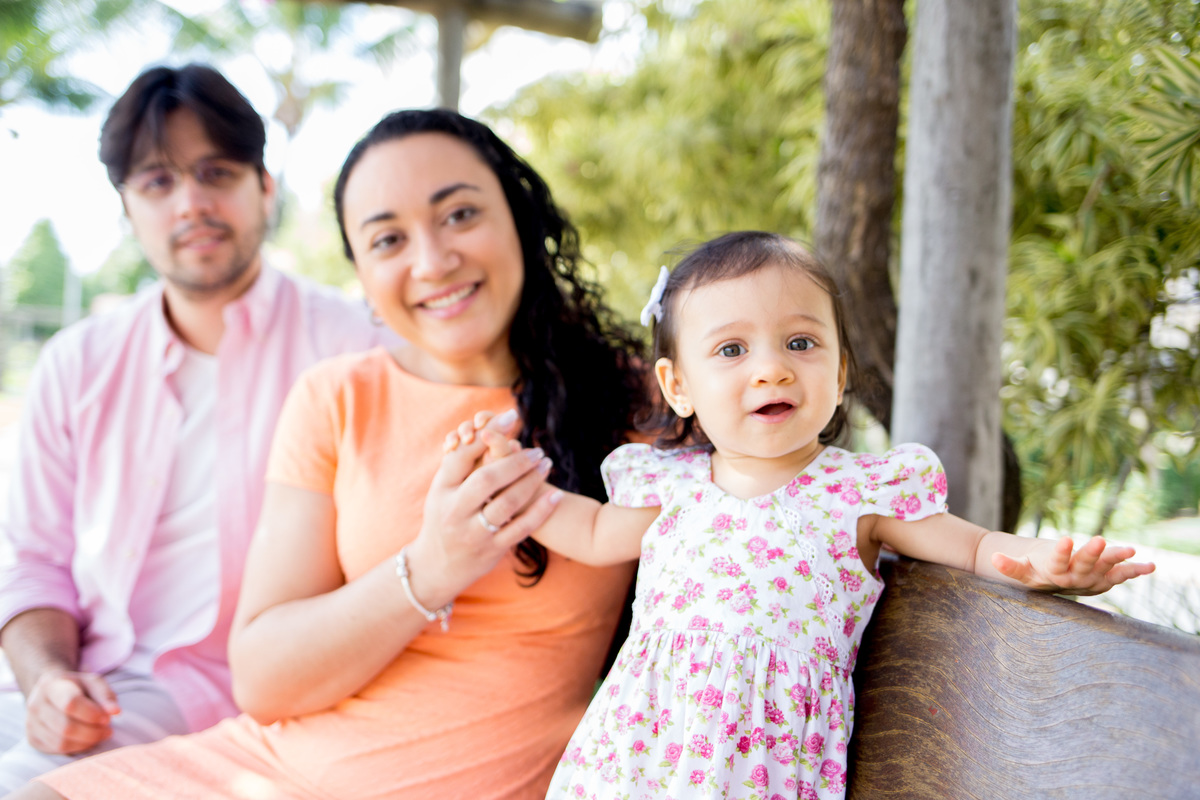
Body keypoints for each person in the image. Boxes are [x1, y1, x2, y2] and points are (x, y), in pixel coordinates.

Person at [13, 108, 648, 800]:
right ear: (364, 276)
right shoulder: (337, 395)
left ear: (519, 217)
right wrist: (431, 567)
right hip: (260, 771)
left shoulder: (637, 398)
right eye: (387, 240)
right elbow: (262, 679)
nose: (432, 261)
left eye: (460, 215)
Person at [446, 231, 1157, 800]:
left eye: (801, 343)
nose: (772, 369)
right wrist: (506, 482)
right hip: (639, 758)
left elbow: (971, 547)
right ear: (680, 385)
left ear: (842, 370)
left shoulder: (861, 494)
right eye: (732, 349)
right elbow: (592, 534)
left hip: (768, 768)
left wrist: (1040, 563)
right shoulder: (671, 488)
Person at [0, 63, 391, 791]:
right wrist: (47, 679)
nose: (192, 203)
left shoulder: (359, 348)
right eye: (158, 181)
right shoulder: (76, 363)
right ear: (126, 208)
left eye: (216, 172)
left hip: (218, 695)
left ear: (265, 188)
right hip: (65, 680)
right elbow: (36, 564)